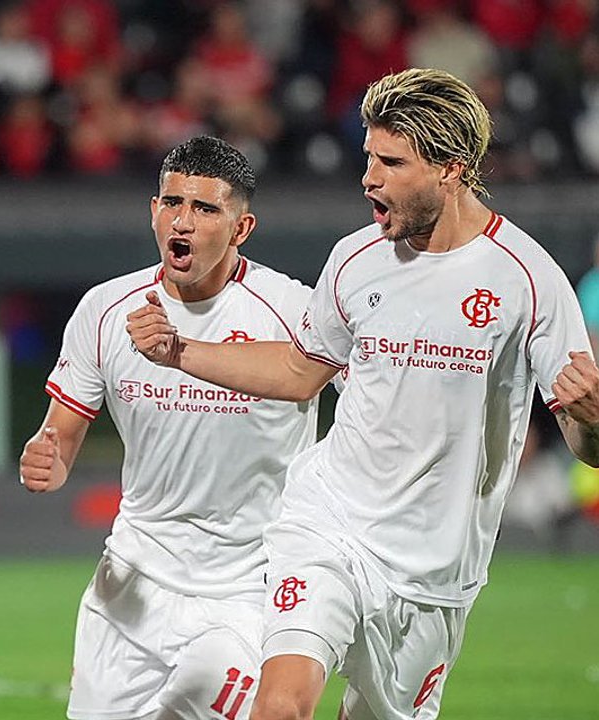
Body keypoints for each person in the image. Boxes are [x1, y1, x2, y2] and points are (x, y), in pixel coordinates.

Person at [127, 68, 599, 720]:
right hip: (329, 527)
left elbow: (586, 444)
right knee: (281, 707)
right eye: (368, 157)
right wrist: (178, 352)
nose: (368, 179)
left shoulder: (528, 279)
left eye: (391, 162)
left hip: (436, 571)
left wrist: (593, 419)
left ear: (452, 169)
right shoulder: (355, 259)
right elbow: (299, 370)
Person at [19, 135, 319, 720]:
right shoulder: (105, 309)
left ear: (241, 228)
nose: (182, 221)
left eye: (204, 208)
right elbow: (60, 438)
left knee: (205, 699)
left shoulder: (293, 311)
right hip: (130, 585)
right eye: (173, 203)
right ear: (153, 211)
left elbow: (358, 398)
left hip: (246, 590)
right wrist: (46, 458)